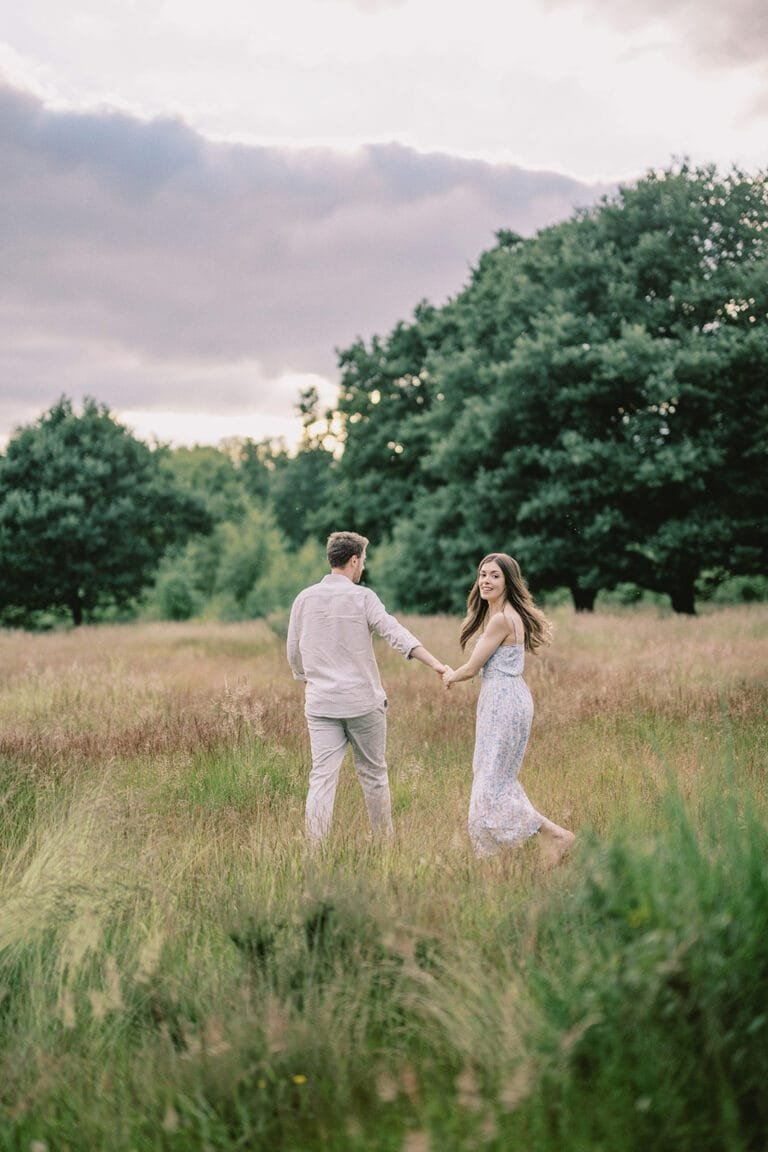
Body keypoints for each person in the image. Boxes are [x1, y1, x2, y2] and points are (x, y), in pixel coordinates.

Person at [287, 530, 447, 846]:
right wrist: (437, 665)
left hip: (321, 703)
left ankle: (314, 850)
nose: (363, 568)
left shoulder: (304, 598)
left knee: (321, 778)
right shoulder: (362, 597)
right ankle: (384, 844)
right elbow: (394, 632)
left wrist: (307, 677)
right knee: (374, 776)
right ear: (354, 560)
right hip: (362, 702)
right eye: (363, 561)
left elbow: (293, 649)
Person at [442, 552, 575, 864]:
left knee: (489, 784)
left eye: (494, 576)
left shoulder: (502, 619)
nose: (486, 581)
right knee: (496, 779)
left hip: (503, 702)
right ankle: (506, 854)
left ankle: (555, 835)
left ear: (508, 582)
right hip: (507, 698)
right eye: (483, 575)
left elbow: (472, 668)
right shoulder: (506, 616)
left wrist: (451, 675)